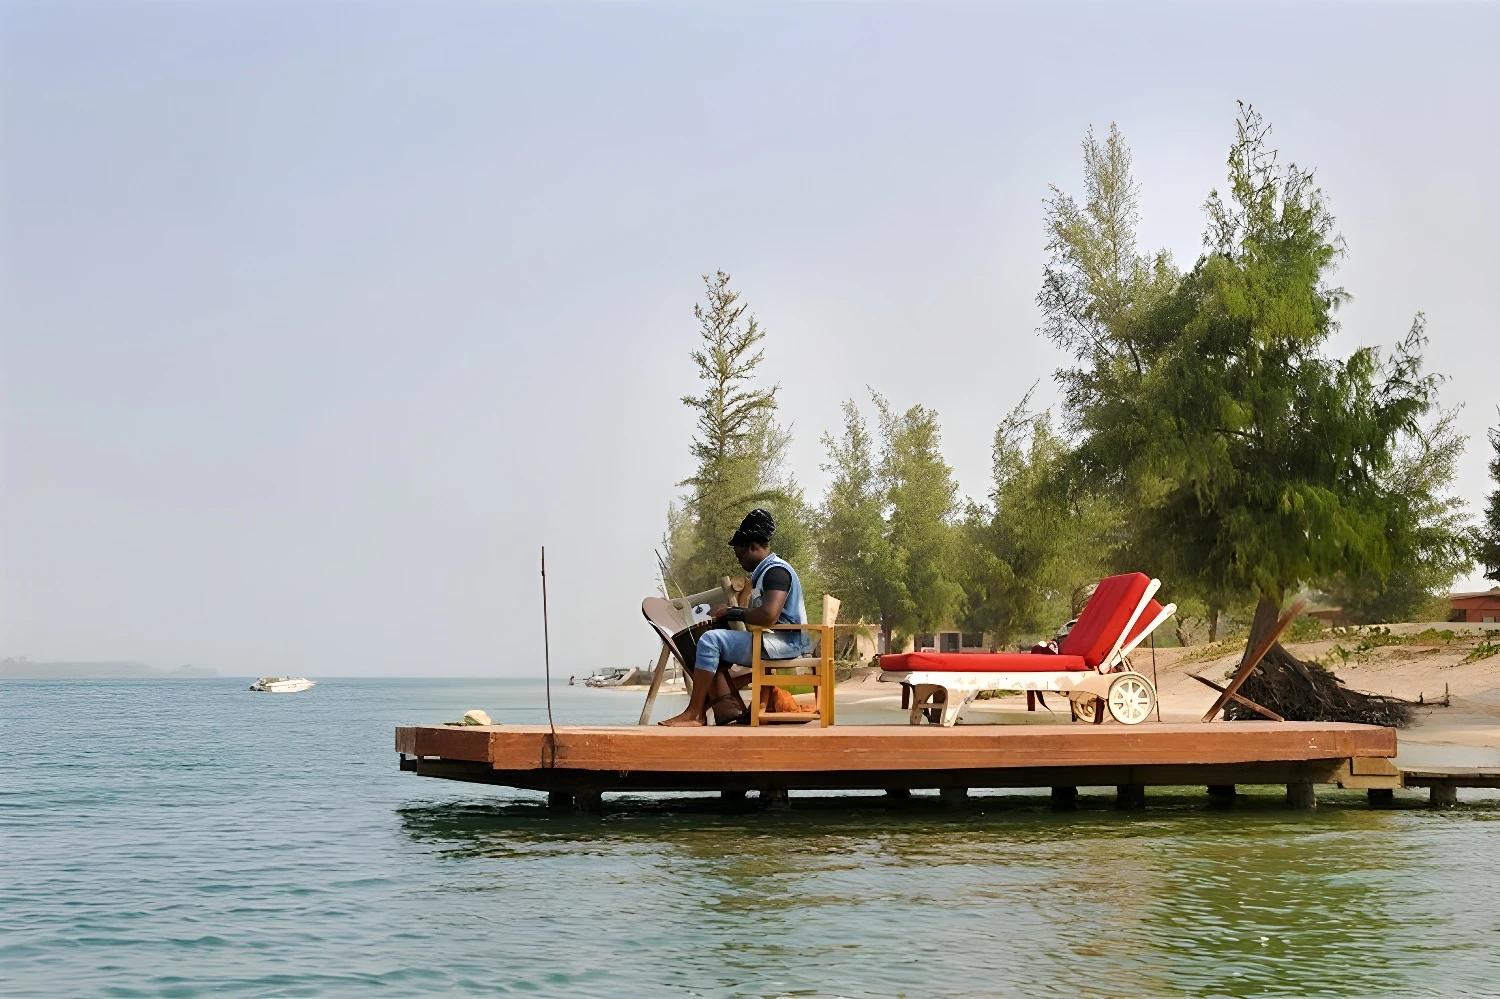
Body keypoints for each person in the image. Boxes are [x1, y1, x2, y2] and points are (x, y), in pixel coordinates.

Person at [659, 509, 809, 727]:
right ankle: (724, 708)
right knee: (715, 644)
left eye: (741, 555)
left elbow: (768, 616)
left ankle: (695, 714)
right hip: (776, 641)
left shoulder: (776, 572)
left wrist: (732, 612)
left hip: (784, 643)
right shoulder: (766, 572)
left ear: (754, 547)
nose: (739, 560)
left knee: (710, 641)